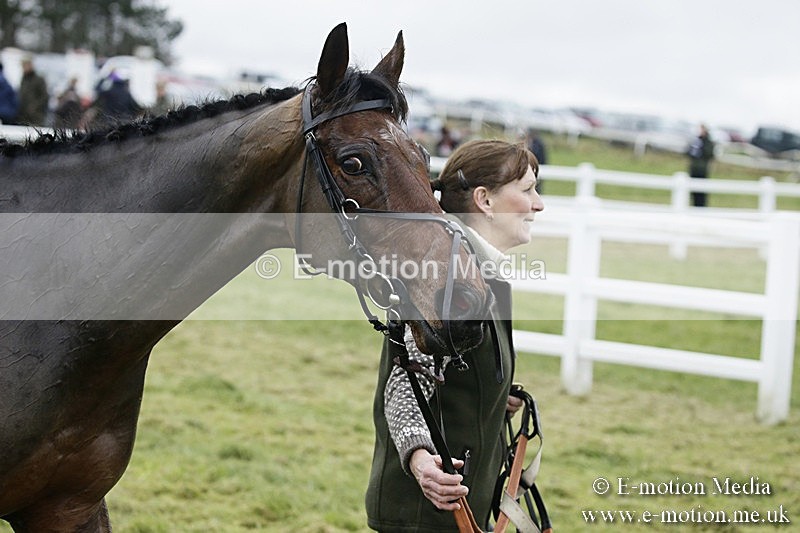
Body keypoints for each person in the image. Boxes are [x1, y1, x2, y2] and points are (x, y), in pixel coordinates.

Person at [366, 139, 545, 532]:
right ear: (485, 200)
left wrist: (495, 394)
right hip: (425, 515)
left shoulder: (474, 271)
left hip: (457, 512)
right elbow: (404, 386)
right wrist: (419, 460)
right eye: (529, 190)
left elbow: (450, 368)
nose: (538, 204)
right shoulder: (447, 281)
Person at [687, 124, 715, 207]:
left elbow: (709, 154)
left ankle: (701, 207)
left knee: (701, 191)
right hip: (694, 169)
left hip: (702, 170)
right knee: (693, 190)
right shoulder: (695, 141)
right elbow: (688, 152)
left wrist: (701, 147)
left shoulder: (708, 142)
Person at [17, 57, 49, 126]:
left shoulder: (39, 79)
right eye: (23, 66)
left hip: (36, 116)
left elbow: (45, 96)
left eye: (25, 65)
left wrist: (34, 107)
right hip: (23, 115)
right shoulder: (24, 79)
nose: (24, 68)